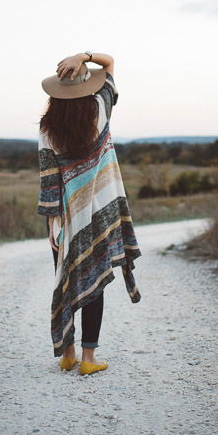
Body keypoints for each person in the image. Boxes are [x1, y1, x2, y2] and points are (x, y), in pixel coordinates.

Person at [37, 51, 141, 375]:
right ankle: (88, 359)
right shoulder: (100, 109)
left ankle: (67, 353)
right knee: (94, 279)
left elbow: (49, 180)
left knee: (66, 278)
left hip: (65, 218)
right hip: (101, 214)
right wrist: (85, 55)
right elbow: (109, 64)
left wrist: (52, 223)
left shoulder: (47, 128)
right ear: (87, 87)